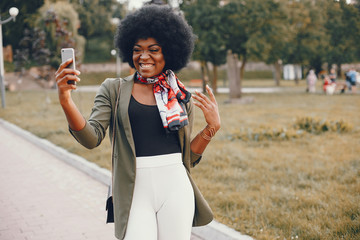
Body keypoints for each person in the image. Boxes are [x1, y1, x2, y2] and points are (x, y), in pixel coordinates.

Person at [54, 4, 220, 240]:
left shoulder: (180, 96)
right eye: (137, 49)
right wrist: (65, 100)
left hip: (176, 187)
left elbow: (187, 158)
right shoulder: (113, 89)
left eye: (153, 49)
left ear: (170, 51)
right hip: (132, 189)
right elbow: (91, 139)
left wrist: (211, 129)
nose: (143, 57)